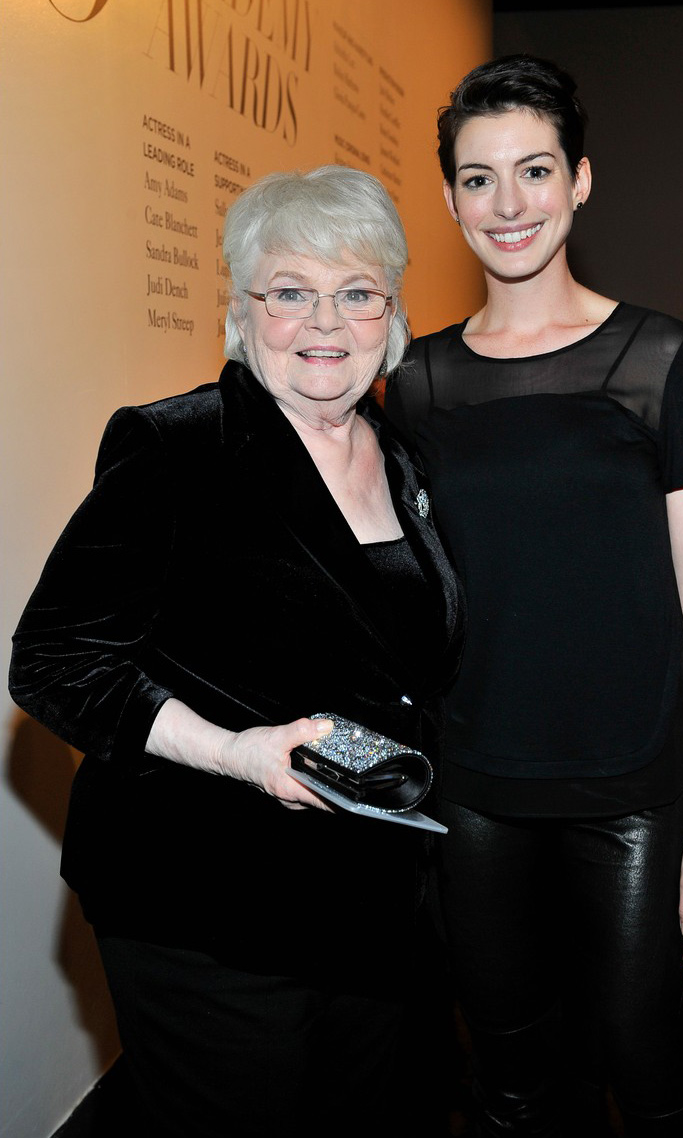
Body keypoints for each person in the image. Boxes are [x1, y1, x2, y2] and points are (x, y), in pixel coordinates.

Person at [9, 166, 463, 1138]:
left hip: (366, 903)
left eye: (356, 293)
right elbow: (53, 661)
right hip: (203, 900)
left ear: (392, 314)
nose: (324, 323)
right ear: (243, 311)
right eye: (290, 291)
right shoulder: (178, 450)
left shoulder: (401, 458)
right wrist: (239, 753)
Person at [384, 55, 683, 1136]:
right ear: (447, 197)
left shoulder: (659, 358)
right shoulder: (420, 381)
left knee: (648, 1063)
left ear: (579, 180)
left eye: (533, 171)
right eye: (479, 179)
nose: (508, 204)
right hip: (476, 788)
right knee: (509, 1078)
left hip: (633, 788)